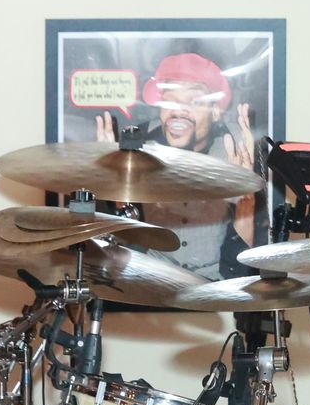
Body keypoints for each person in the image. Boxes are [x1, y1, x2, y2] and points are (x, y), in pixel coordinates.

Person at [94, 52, 259, 278]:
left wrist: (246, 199)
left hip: (214, 284)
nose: (178, 110)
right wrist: (115, 185)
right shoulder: (139, 147)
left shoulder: (235, 153)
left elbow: (241, 268)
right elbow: (121, 247)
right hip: (151, 281)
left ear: (215, 112)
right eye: (169, 100)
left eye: (194, 101)